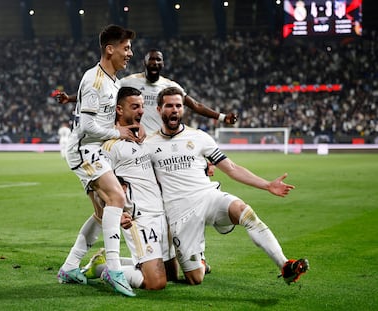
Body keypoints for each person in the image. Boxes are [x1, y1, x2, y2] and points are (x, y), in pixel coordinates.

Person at [145, 87, 309, 286]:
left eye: (178, 106)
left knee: (245, 212)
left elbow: (231, 168)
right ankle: (200, 261)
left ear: (183, 110)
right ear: (158, 109)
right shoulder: (148, 144)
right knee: (195, 278)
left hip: (208, 197)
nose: (174, 110)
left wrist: (267, 185)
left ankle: (285, 265)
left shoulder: (199, 137)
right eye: (169, 106)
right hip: (180, 212)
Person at [57, 24, 140, 297]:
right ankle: (115, 270)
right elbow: (88, 126)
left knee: (103, 212)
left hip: (96, 150)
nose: (130, 53)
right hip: (84, 150)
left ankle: (70, 267)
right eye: (126, 48)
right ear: (110, 49)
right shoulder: (95, 80)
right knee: (117, 197)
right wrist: (119, 132)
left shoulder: (112, 80)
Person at [82, 86, 179, 290]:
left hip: (161, 213)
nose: (141, 111)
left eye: (142, 106)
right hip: (139, 218)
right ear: (119, 109)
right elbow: (96, 183)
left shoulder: (143, 137)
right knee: (156, 283)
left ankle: (105, 262)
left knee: (171, 274)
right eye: (135, 107)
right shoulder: (110, 145)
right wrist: (114, 212)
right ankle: (105, 271)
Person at [56, 49, 237, 135]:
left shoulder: (170, 86)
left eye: (158, 60)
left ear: (162, 64)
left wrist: (222, 117)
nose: (155, 63)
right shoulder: (129, 82)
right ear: (145, 63)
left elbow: (195, 105)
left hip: (161, 139)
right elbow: (101, 92)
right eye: (151, 60)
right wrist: (70, 99)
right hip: (137, 138)